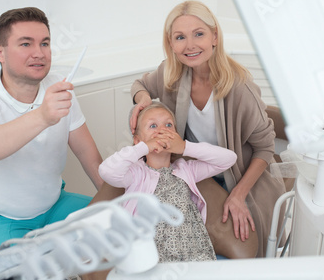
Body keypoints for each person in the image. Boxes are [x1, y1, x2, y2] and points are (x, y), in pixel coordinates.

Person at [128, 0, 286, 257]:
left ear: (215, 36)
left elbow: (265, 148)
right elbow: (139, 84)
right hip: (198, 172)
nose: (190, 45)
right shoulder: (171, 73)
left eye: (198, 34)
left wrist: (238, 194)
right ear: (171, 44)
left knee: (239, 244)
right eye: (180, 37)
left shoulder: (240, 88)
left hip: (239, 175)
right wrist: (143, 100)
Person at [0, 7, 104, 250]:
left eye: (45, 43)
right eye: (26, 44)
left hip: (55, 206)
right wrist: (43, 116)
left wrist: (124, 202)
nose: (39, 53)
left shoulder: (58, 87)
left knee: (123, 231)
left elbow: (91, 159)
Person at [99, 102, 237, 262]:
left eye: (168, 124)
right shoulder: (136, 173)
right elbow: (107, 171)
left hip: (193, 255)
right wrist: (143, 148)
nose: (162, 130)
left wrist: (184, 147)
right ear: (137, 140)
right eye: (153, 126)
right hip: (153, 257)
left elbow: (228, 159)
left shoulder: (186, 170)